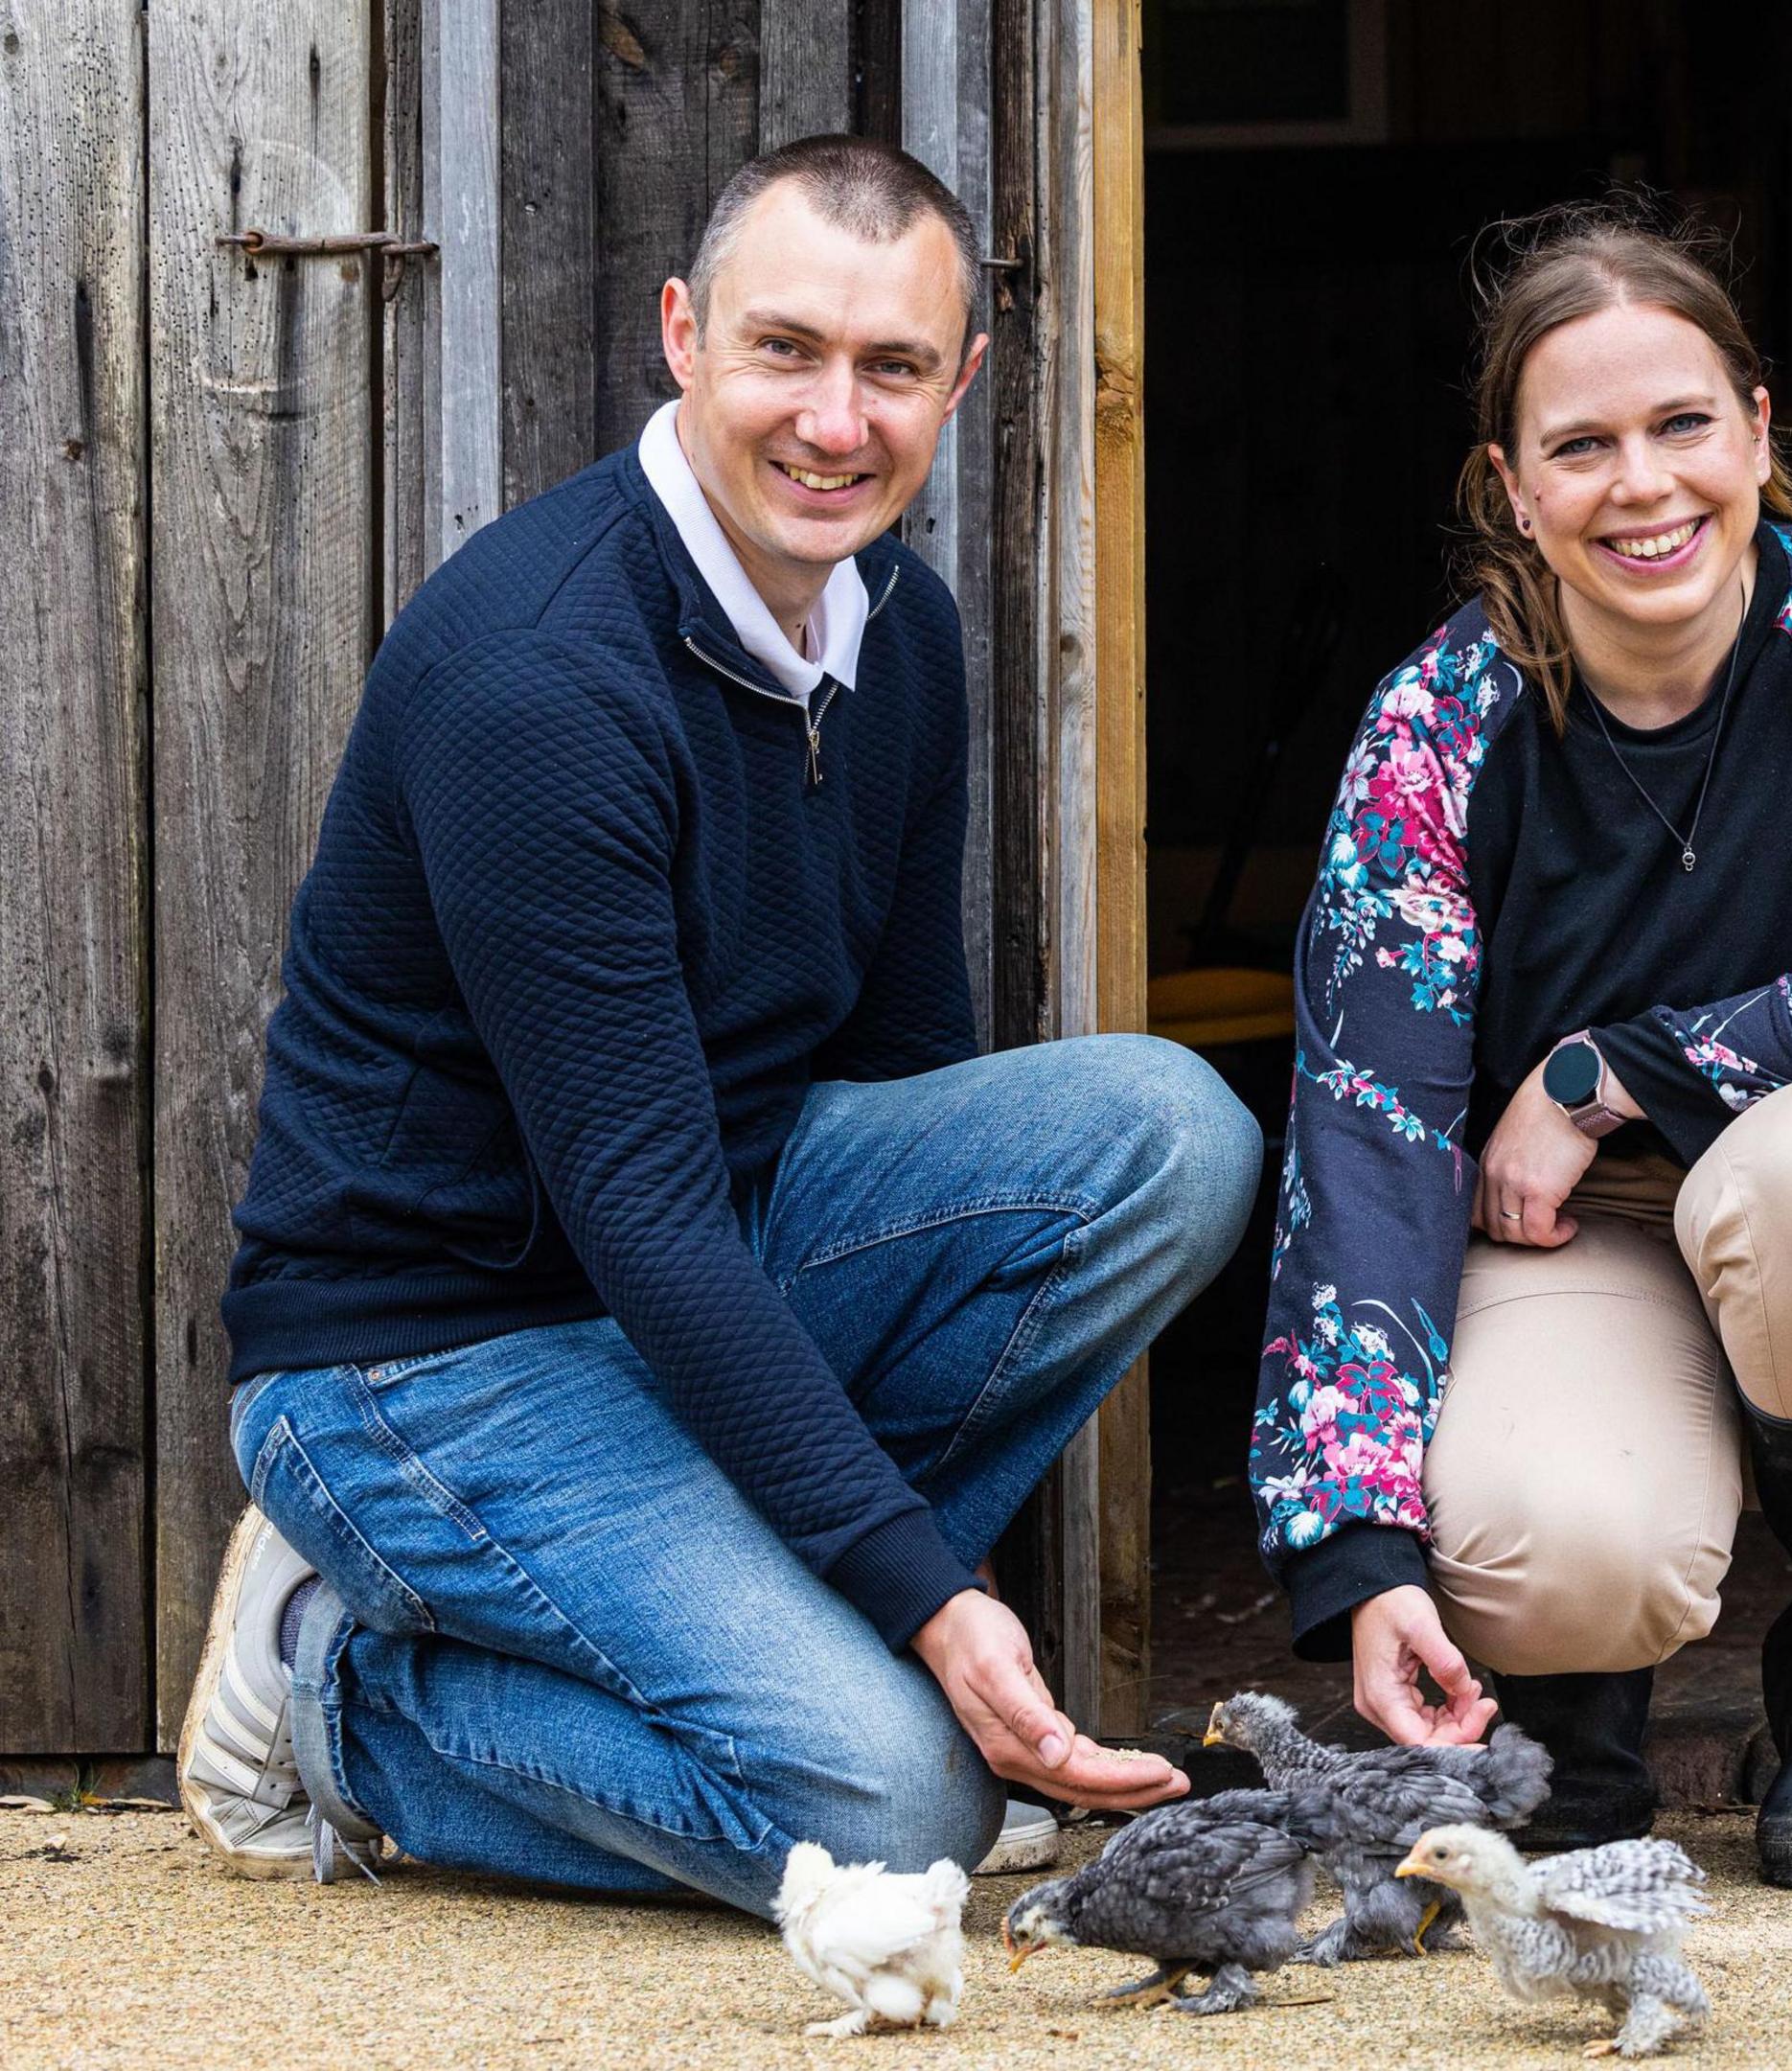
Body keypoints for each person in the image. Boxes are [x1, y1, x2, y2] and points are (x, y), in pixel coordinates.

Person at [175, 135, 1257, 1915]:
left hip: (708, 1252)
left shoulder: (897, 628)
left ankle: (795, 1644)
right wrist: (923, 1589)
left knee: (1168, 1130)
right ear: (681, 334)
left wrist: (887, 1557)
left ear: (960, 380)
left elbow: (904, 1071)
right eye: (786, 350)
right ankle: (336, 1690)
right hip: (432, 1349)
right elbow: (639, 1214)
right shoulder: (540, 675)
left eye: (894, 367)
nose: (838, 422)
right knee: (898, 1816)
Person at [1252, 201, 1792, 1891]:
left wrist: (1606, 1066)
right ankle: (1576, 1716)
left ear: (1759, 430)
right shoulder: (1439, 723)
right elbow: (1365, 1123)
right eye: (1584, 445)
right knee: (1556, 1542)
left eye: (1684, 423)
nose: (1645, 483)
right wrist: (1356, 1541)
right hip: (1589, 1236)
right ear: (1514, 487)